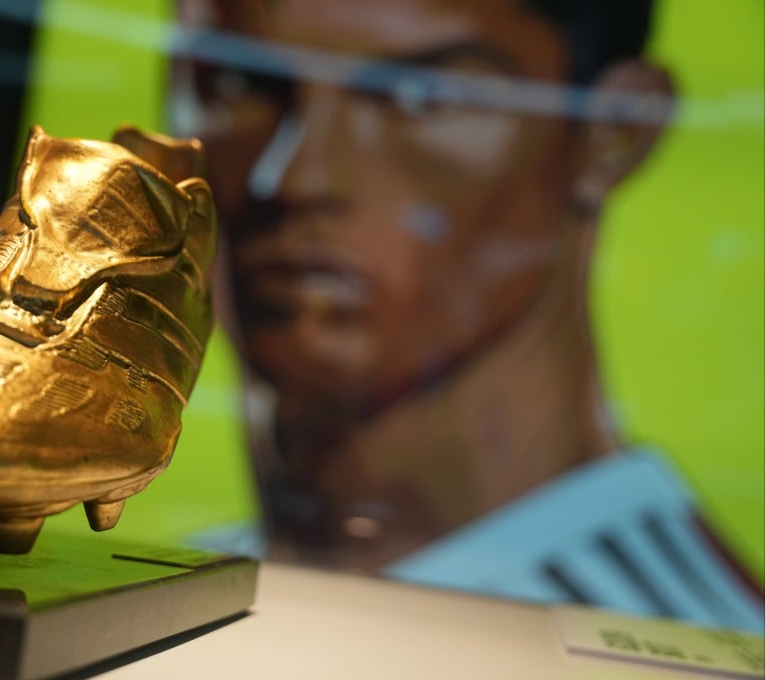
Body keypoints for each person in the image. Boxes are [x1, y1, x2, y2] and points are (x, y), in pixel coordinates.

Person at [172, 0, 763, 631]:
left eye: (424, 96)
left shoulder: (685, 638)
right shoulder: (179, 582)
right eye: (237, 84)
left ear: (616, 129)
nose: (295, 176)